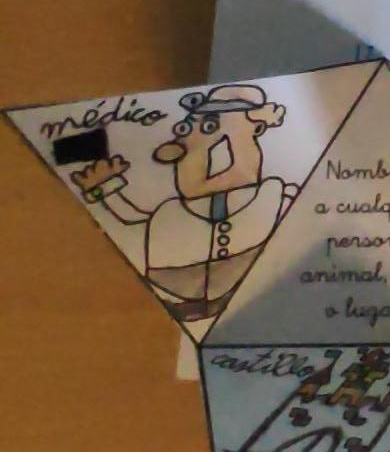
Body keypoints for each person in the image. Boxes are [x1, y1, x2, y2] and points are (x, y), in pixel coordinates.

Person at [70, 84, 297, 326]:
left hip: (247, 303)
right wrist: (104, 187)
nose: (219, 136)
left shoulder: (272, 198)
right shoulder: (170, 211)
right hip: (171, 303)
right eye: (211, 125)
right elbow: (131, 216)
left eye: (229, 128)